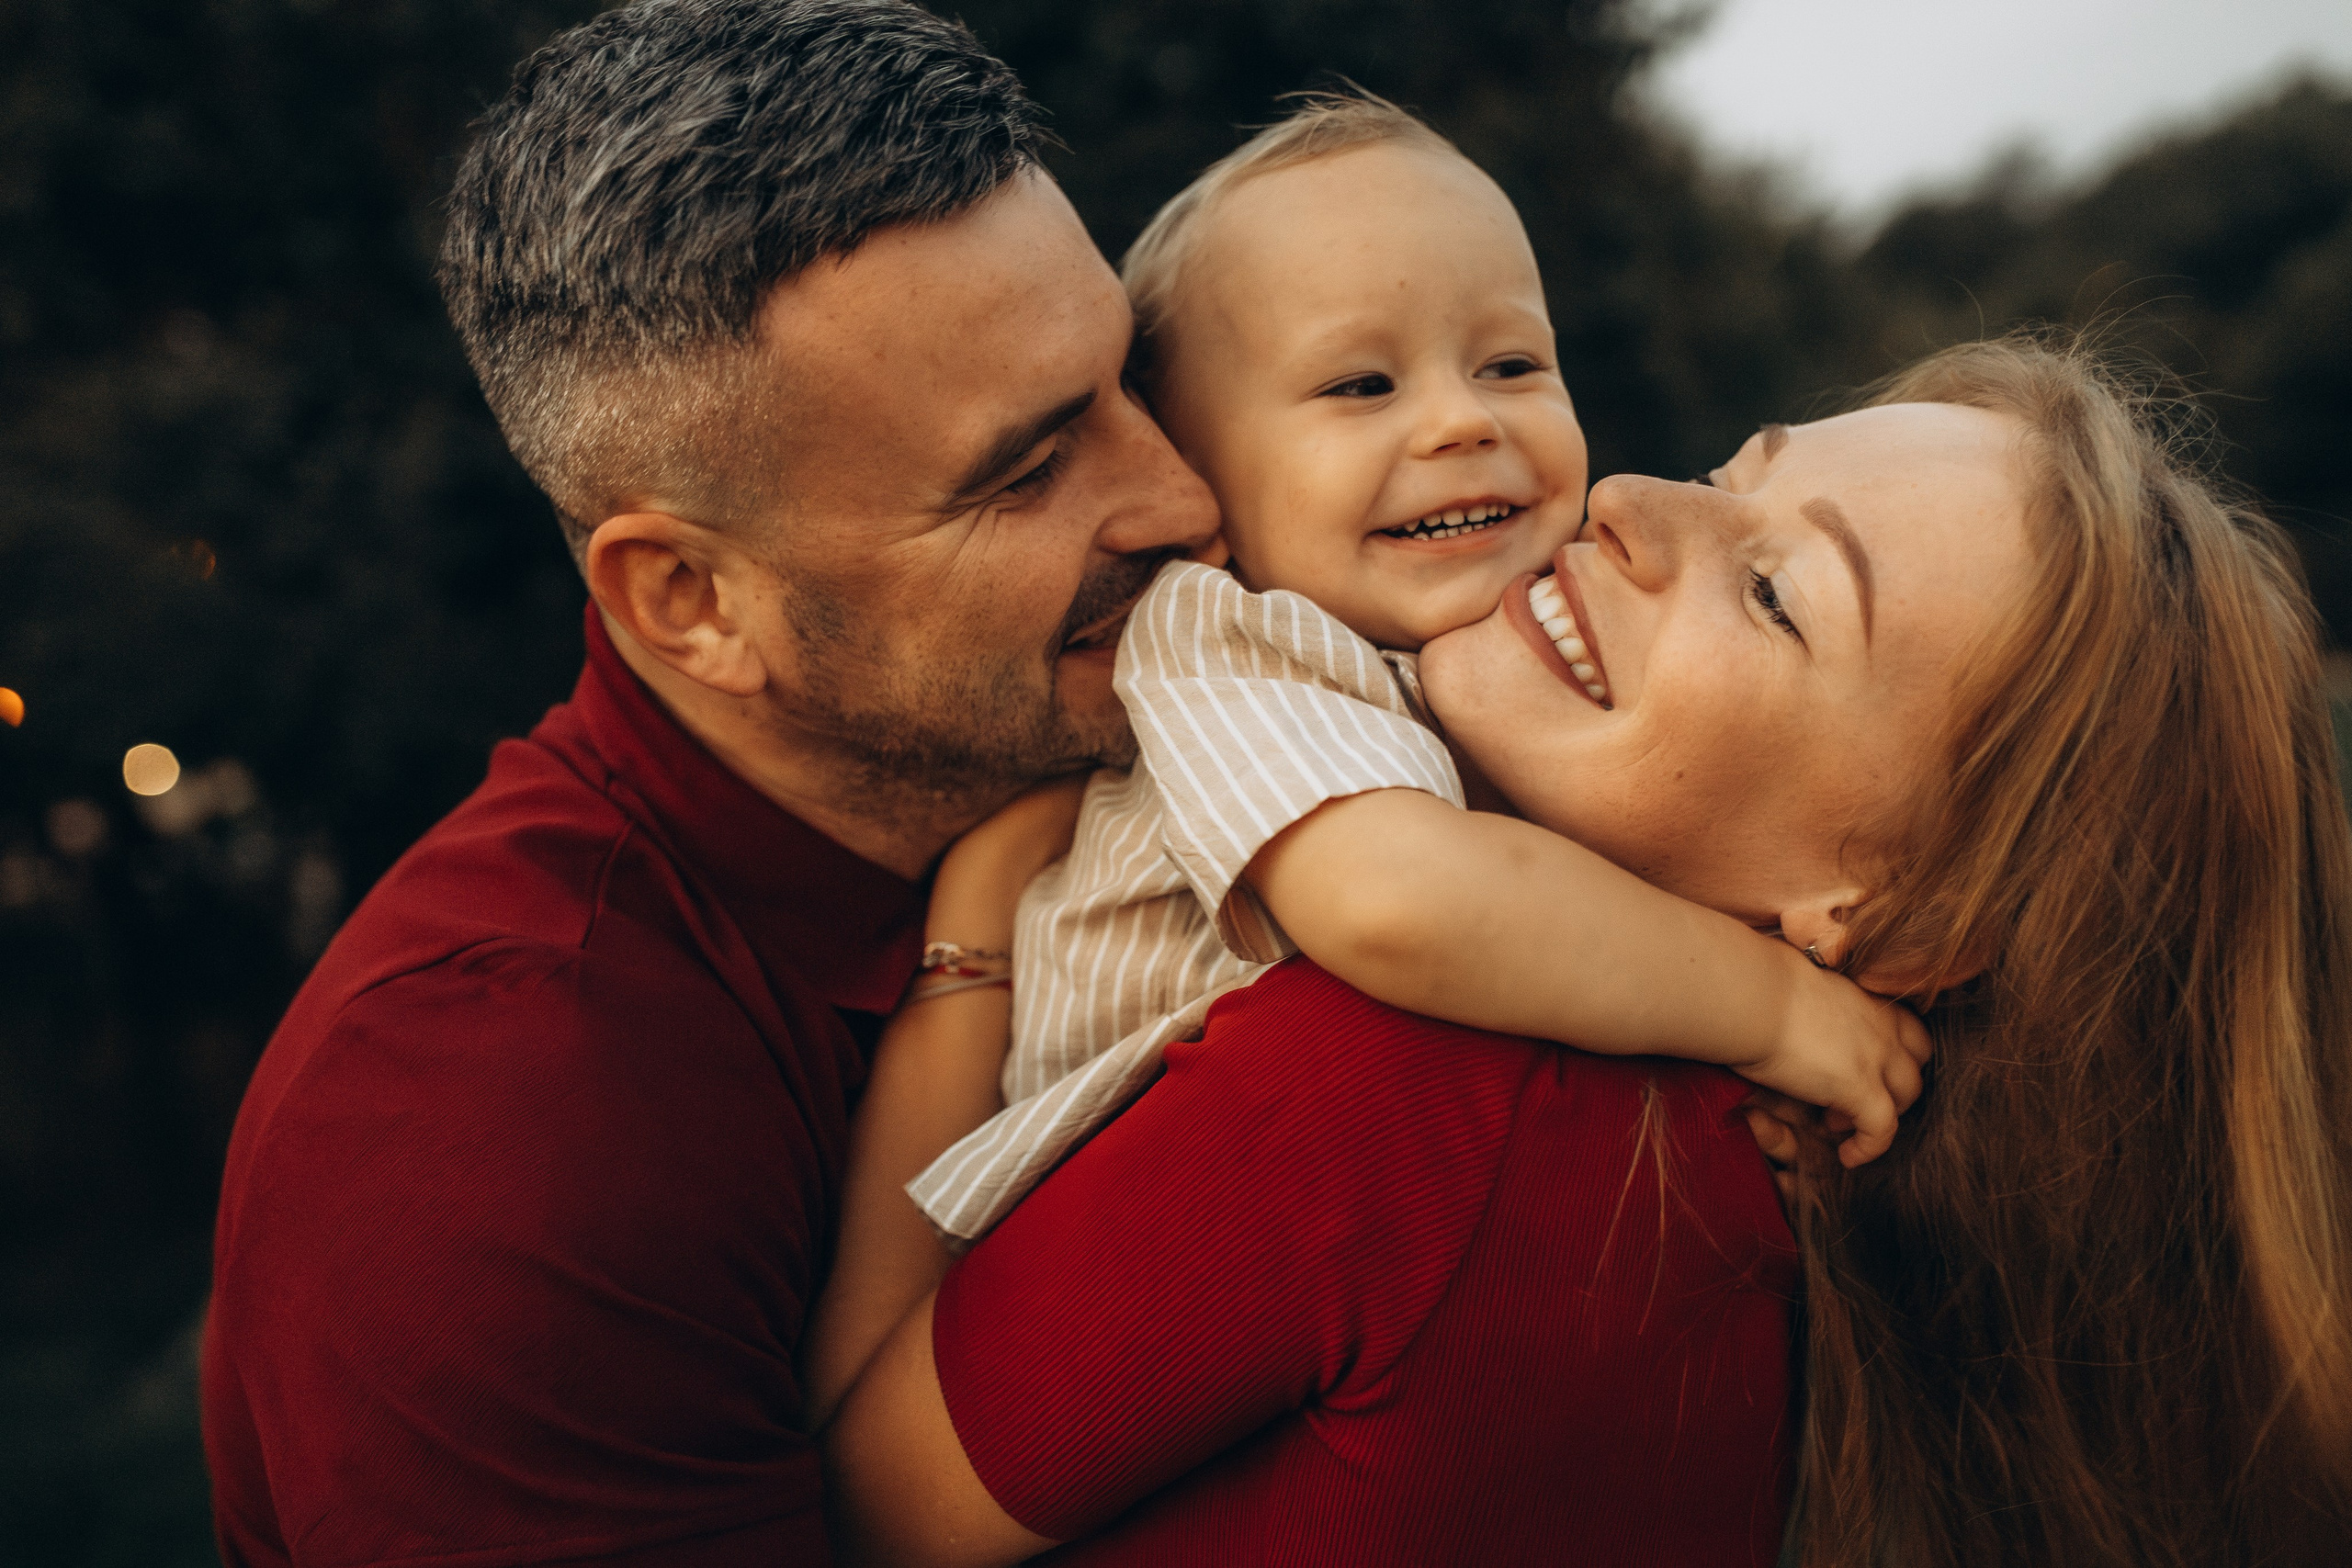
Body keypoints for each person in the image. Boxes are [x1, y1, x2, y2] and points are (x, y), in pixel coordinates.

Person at [822, 336, 2352, 1567]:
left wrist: (973, 934)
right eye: (1730, 474)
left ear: (1906, 921)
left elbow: (845, 1507)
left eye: (1775, 594)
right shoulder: (1796, 1219)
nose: (1625, 496)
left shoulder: (1407, 1091)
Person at [199, 4, 1217, 1564]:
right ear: (691, 600)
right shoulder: (500, 1127)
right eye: (1026, 473)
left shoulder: (1155, 765)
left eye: (1134, 376)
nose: (1185, 498)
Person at [804, 93, 1927, 1418]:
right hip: (1074, 1267)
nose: (1461, 422)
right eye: (1360, 386)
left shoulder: (1517, 660)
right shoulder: (1229, 643)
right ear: (1199, 478)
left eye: (1510, 364)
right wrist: (1770, 1012)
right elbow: (1401, 903)